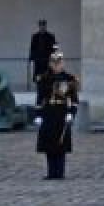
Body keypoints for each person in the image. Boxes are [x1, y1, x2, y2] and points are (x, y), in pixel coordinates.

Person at [33, 47, 79, 180]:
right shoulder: (44, 79)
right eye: (54, 63)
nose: (56, 65)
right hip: (48, 113)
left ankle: (60, 172)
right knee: (49, 144)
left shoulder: (69, 79)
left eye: (59, 63)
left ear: (63, 63)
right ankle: (51, 172)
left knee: (61, 144)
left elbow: (74, 100)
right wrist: (38, 115)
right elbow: (39, 99)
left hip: (62, 112)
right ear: (50, 63)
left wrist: (71, 113)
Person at [28, 19, 55, 85]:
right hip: (38, 60)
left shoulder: (50, 36)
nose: (42, 27)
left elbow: (55, 47)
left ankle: (46, 87)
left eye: (43, 25)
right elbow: (32, 48)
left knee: (47, 74)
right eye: (41, 26)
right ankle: (39, 87)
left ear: (45, 26)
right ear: (39, 26)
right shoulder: (35, 36)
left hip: (47, 59)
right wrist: (31, 58)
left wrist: (54, 56)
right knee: (38, 74)